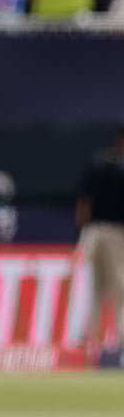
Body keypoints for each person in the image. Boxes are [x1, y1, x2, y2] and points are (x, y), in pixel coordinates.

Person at [76, 124, 124, 362]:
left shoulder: (96, 162)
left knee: (92, 288)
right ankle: (120, 343)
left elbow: (83, 201)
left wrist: (82, 230)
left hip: (92, 231)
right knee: (121, 289)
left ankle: (89, 343)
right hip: (116, 232)